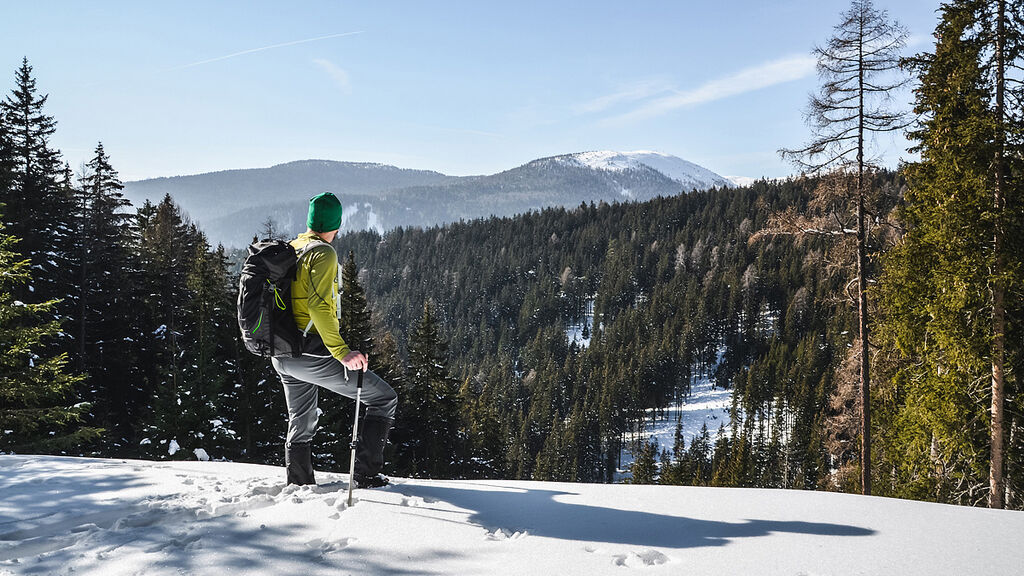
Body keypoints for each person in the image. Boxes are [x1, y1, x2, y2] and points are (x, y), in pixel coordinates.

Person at [272, 192, 397, 488]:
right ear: (336, 225)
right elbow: (318, 306)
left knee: (300, 418)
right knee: (383, 397)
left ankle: (299, 483)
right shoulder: (323, 253)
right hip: (310, 354)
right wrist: (342, 352)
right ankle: (366, 474)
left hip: (282, 352)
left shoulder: (294, 248)